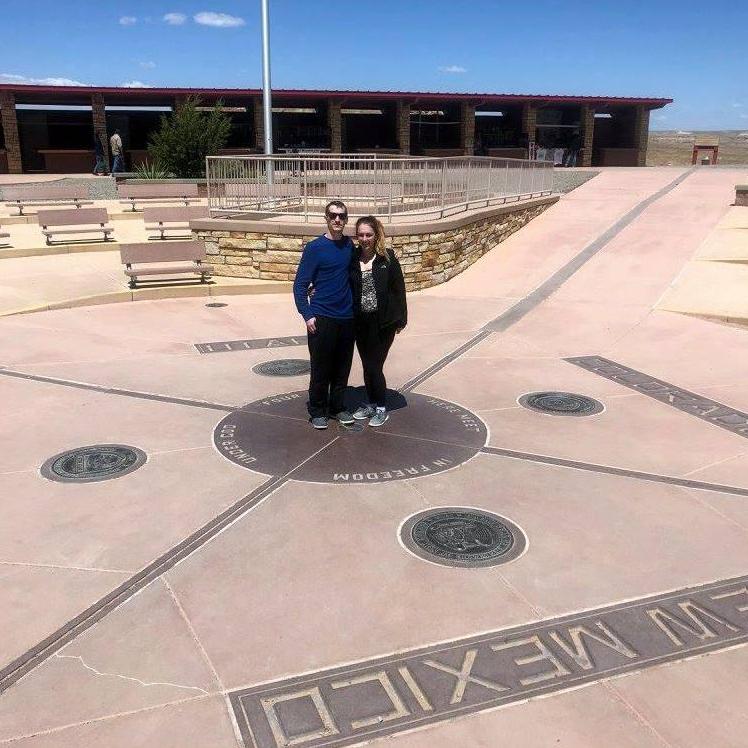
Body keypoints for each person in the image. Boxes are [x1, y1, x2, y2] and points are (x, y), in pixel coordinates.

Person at [293, 200, 356, 429]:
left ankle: (337, 407)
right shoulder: (315, 248)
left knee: (342, 368)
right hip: (322, 317)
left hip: (347, 318)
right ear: (326, 219)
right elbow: (300, 285)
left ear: (346, 219)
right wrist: (307, 314)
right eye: (333, 216)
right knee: (321, 368)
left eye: (341, 216)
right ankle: (318, 409)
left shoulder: (350, 246)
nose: (337, 220)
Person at [349, 215, 407, 427]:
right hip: (360, 322)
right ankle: (371, 403)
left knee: (375, 365)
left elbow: (399, 290)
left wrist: (402, 319)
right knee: (366, 365)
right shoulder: (352, 258)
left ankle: (381, 407)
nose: (364, 238)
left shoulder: (387, 258)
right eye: (361, 234)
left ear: (376, 235)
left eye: (368, 234)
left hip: (384, 323)